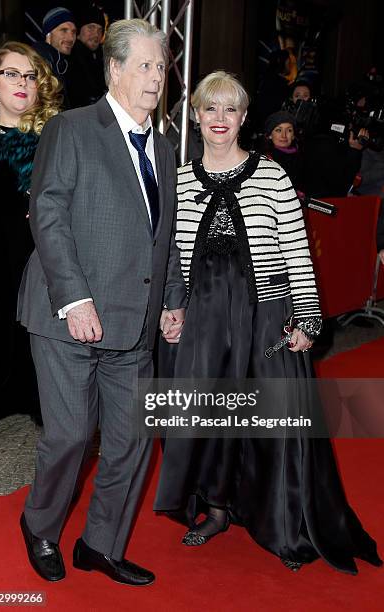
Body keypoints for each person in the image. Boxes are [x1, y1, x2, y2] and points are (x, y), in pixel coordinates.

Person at [154, 71, 382, 575]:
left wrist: (307, 318)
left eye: (229, 109)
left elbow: (299, 254)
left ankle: (283, 521)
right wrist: (175, 309)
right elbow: (172, 254)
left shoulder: (273, 175)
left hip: (266, 315)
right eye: (209, 109)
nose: (219, 119)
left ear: (243, 118)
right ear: (195, 115)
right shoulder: (181, 178)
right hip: (207, 319)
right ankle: (215, 509)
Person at [18, 18, 186, 587]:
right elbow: (49, 214)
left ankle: (100, 543)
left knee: (131, 439)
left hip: (133, 322)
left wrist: (171, 299)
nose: (156, 77)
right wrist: (76, 298)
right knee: (69, 435)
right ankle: (40, 525)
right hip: (69, 315)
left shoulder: (163, 150)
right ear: (113, 69)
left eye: (161, 66)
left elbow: (164, 235)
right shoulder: (71, 129)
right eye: (144, 65)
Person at [0, 42, 61, 434]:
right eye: (12, 74)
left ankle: (56, 489)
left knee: (49, 390)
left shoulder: (56, 140)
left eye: (30, 75)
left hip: (40, 275)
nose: (22, 83)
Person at [32, 6, 77, 107]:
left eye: (73, 32)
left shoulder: (61, 62)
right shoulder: (39, 61)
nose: (71, 38)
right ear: (48, 34)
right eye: (64, 30)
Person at [66, 4, 106, 108]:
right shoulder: (69, 60)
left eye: (100, 29)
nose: (96, 34)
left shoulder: (101, 58)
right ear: (78, 32)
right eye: (91, 28)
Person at [262, 110, 304, 191]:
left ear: (293, 136)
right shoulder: (264, 160)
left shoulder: (302, 158)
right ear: (270, 135)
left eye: (289, 130)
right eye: (278, 130)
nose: (284, 135)